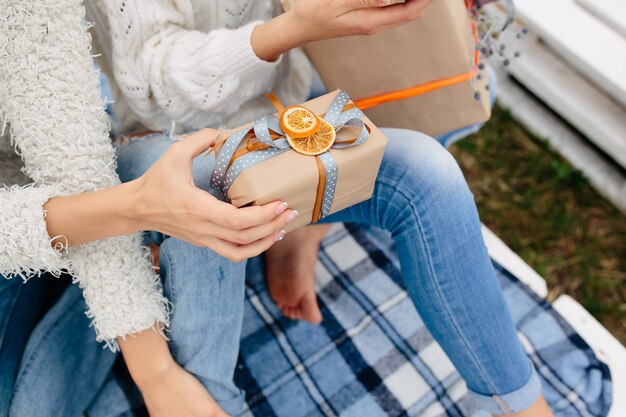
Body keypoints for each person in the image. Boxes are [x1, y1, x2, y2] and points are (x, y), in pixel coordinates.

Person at [86, 0, 556, 416]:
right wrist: (295, 27)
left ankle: (520, 408)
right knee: (208, 205)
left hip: (284, 117)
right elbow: (155, 90)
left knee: (429, 174)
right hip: (172, 143)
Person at [0, 2, 291, 416]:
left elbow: (76, 172)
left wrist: (155, 371)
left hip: (54, 183)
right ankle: (124, 268)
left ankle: (114, 268)